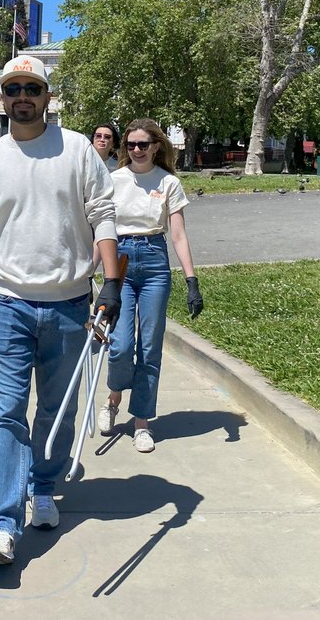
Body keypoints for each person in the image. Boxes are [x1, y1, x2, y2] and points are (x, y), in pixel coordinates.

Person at [0, 55, 122, 567]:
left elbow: (103, 216)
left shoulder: (77, 151)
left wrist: (111, 283)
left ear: (48, 97)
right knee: (6, 413)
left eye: (32, 87)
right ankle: (1, 522)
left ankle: (42, 486)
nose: (22, 96)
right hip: (6, 303)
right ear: (1, 99)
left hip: (70, 305)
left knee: (57, 409)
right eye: (13, 88)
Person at [98, 119, 204, 454]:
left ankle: (142, 421)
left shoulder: (169, 182)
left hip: (155, 261)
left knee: (149, 347)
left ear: (156, 146)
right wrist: (89, 272)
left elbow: (178, 234)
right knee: (120, 344)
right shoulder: (114, 180)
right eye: (130, 145)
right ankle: (114, 397)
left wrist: (191, 280)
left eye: (143, 144)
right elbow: (101, 230)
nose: (137, 150)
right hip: (121, 260)